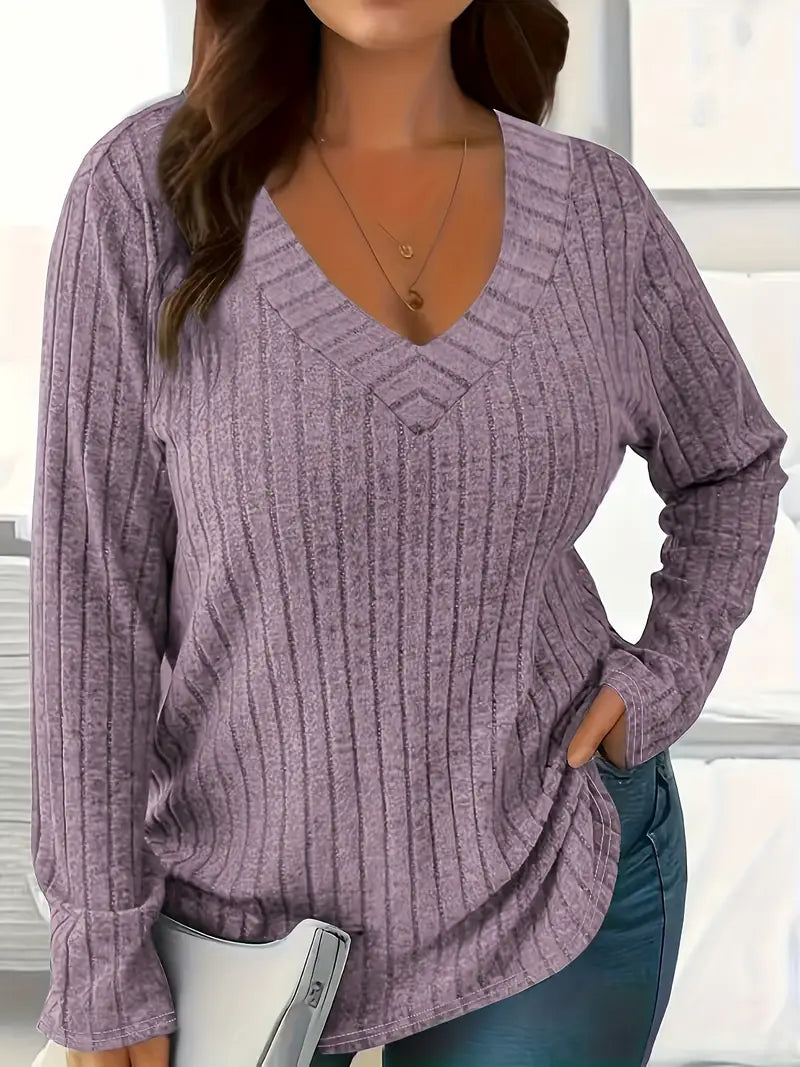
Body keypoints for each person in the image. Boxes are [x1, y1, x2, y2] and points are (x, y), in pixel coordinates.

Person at [30, 0, 788, 1065]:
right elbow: (90, 602)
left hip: (553, 872)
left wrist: (656, 682)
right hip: (234, 924)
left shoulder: (595, 213)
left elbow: (731, 464)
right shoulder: (144, 197)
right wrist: (101, 953)